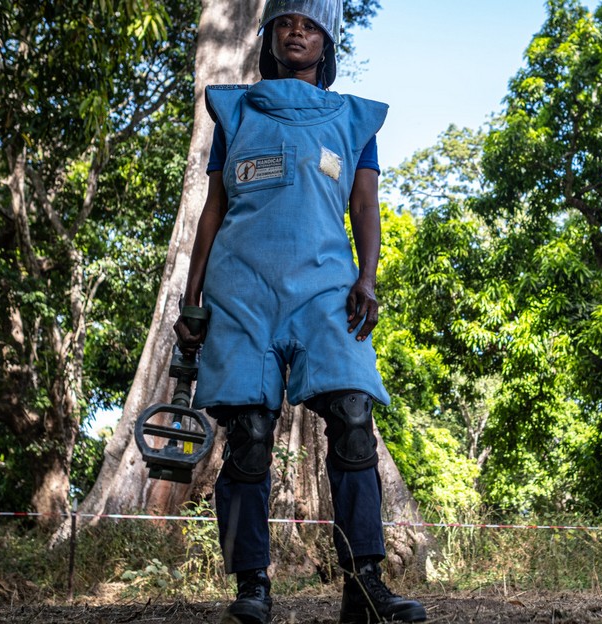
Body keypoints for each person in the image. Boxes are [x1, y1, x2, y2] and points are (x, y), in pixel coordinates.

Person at [174, 1, 427, 622]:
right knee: (249, 435)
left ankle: (364, 583)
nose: (297, 32)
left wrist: (368, 278)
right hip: (242, 291)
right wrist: (192, 293)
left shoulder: (353, 120)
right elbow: (212, 208)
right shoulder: (233, 113)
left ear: (327, 45)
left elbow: (365, 208)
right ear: (267, 37)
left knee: (352, 418)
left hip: (326, 291)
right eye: (286, 22)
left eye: (311, 26)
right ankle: (251, 589)